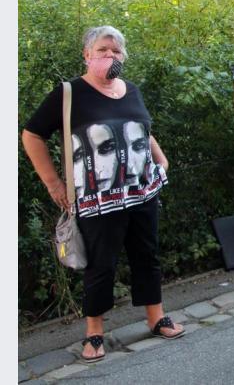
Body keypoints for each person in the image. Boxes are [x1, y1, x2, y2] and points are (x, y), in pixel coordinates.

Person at [22, 26, 183, 364]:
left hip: (142, 190)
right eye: (103, 50)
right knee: (100, 264)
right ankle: (93, 332)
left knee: (147, 255)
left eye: (116, 51)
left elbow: (141, 127)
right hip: (97, 198)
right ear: (87, 54)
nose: (111, 56)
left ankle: (156, 317)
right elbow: (32, 135)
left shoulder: (132, 90)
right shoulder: (69, 94)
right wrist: (54, 184)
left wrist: (160, 156)